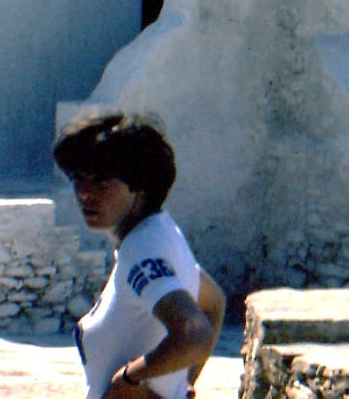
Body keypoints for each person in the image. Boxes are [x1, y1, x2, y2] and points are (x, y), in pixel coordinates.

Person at [54, 111, 226, 399]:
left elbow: (195, 333)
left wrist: (128, 379)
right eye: (78, 179)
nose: (84, 193)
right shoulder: (161, 234)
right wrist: (183, 383)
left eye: (102, 182)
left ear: (139, 187)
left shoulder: (142, 250)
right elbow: (213, 302)